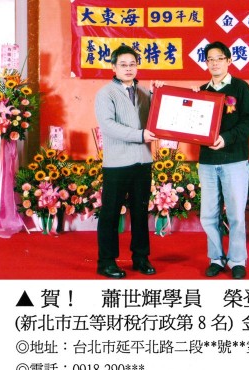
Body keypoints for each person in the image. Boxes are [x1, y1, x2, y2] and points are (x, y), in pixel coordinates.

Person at [95, 45, 162, 279]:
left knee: (141, 212)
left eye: (132, 64)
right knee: (111, 213)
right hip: (117, 163)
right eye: (123, 64)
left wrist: (159, 96)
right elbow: (108, 126)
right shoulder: (106, 93)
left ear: (137, 66)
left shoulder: (144, 91)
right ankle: (106, 262)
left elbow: (159, 117)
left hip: (142, 161)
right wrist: (140, 135)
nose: (128, 68)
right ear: (113, 67)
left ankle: (141, 257)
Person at [197, 41, 249, 279]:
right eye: (210, 59)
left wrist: (226, 138)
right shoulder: (202, 91)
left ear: (229, 61)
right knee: (208, 214)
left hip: (234, 160)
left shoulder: (240, 87)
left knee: (236, 214)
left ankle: (237, 260)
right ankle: (216, 258)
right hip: (208, 161)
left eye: (219, 58)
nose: (214, 63)